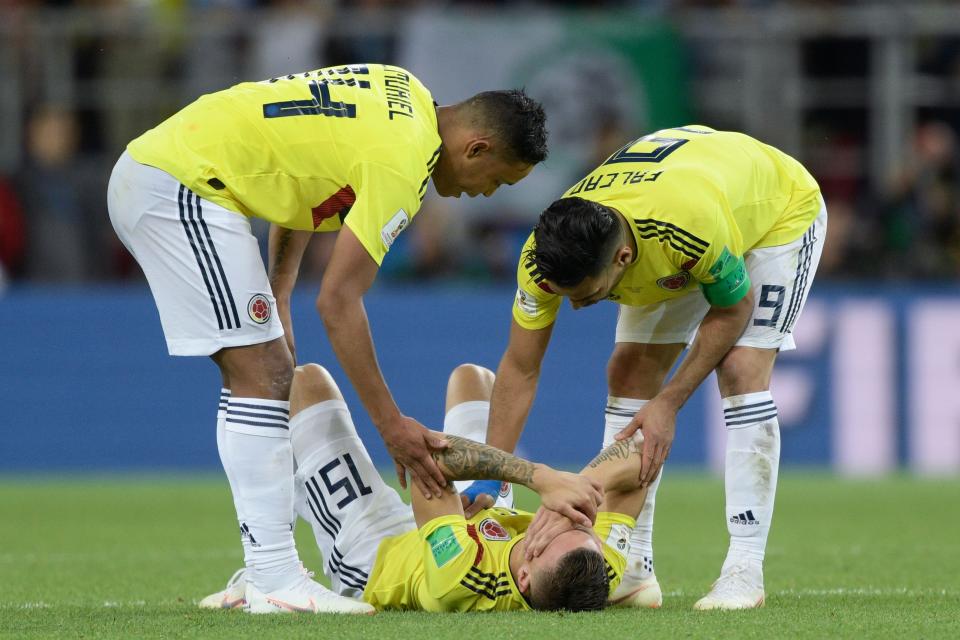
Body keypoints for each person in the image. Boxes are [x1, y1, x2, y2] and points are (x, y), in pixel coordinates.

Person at [107, 64, 548, 614]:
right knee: (264, 372)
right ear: (477, 148)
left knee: (262, 371)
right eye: (499, 180)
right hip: (181, 185)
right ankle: (274, 575)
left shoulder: (403, 90)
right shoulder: (404, 164)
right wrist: (392, 427)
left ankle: (265, 567)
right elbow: (339, 303)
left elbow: (301, 171)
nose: (486, 194)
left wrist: (281, 289)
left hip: (178, 170)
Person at [466, 125, 826, 610]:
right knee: (629, 371)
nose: (576, 307)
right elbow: (520, 367)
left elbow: (733, 309)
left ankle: (744, 568)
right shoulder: (540, 258)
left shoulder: (686, 227)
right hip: (675, 210)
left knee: (741, 369)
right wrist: (495, 476)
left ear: (623, 258)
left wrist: (669, 403)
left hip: (775, 215)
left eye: (590, 295)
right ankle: (632, 567)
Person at [201, 362, 650, 613]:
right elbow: (639, 455)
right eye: (577, 521)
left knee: (303, 382)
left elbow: (426, 460)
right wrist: (582, 489)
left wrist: (543, 479)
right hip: (463, 520)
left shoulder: (463, 574)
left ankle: (266, 572)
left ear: (525, 576)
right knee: (472, 379)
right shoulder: (596, 566)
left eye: (550, 531)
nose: (561, 518)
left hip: (377, 556)